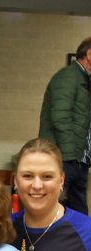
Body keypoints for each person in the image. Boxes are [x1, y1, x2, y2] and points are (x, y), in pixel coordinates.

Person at [38, 37, 91, 215]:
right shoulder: (69, 76)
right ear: (89, 55)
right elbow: (59, 117)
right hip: (65, 160)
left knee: (79, 216)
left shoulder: (83, 80)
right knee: (54, 212)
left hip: (77, 161)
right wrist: (70, 157)